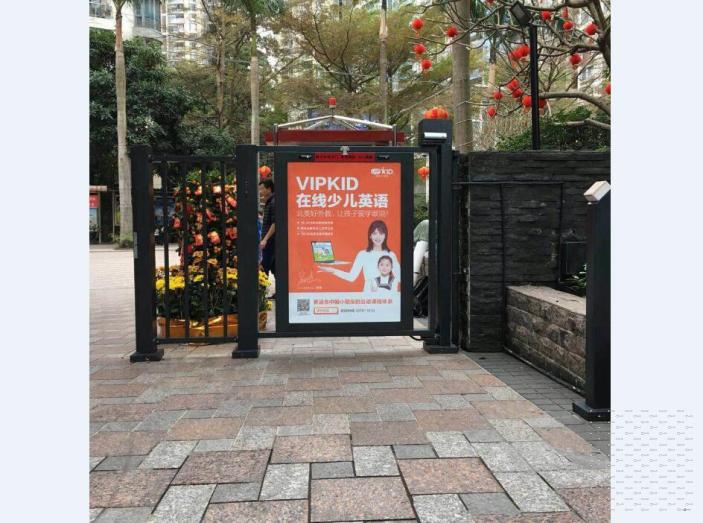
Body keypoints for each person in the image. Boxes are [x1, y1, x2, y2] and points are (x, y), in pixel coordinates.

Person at [318, 220, 400, 292]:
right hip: (368, 296)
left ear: (385, 235)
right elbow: (351, 277)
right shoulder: (363, 254)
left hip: (387, 297)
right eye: (375, 233)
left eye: (381, 233)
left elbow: (399, 277)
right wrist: (333, 271)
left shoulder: (391, 255)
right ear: (370, 236)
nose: (378, 237)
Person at [258, 179, 276, 296]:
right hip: (269, 241)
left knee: (264, 266)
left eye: (262, 189)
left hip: (270, 241)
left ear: (269, 189)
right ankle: (279, 292)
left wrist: (265, 239)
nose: (260, 191)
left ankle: (261, 293)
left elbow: (275, 223)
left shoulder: (273, 202)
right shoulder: (269, 202)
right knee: (275, 267)